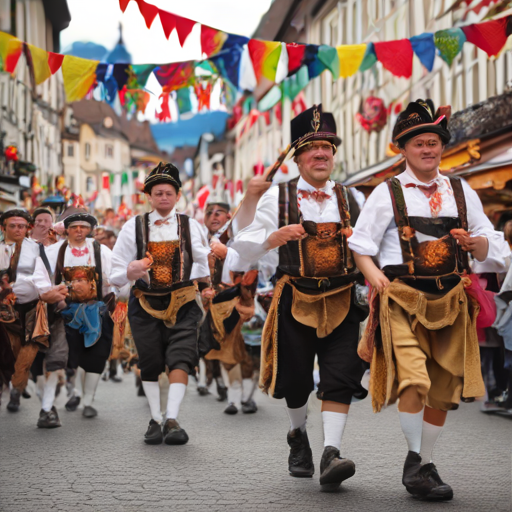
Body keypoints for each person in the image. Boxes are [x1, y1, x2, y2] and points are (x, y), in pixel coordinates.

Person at [351, 99, 510, 500]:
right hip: (401, 299)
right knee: (416, 379)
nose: (427, 149)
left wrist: (475, 244)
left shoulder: (461, 189)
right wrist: (373, 276)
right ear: (403, 150)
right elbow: (361, 244)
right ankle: (419, 465)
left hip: (451, 300)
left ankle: (419, 462)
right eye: (419, 143)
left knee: (443, 387)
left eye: (433, 142)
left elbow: (493, 241)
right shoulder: (387, 193)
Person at [232, 105, 368, 492]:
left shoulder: (354, 198)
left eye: (327, 146)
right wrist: (270, 238)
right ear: (298, 157)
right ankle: (297, 434)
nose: (321, 153)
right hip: (294, 299)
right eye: (312, 148)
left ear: (334, 154)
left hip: (344, 300)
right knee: (295, 381)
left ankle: (330, 453)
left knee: (340, 376)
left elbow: (378, 246)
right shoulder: (277, 199)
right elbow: (241, 248)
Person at [110, 162, 210, 446]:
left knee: (182, 357)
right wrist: (132, 270)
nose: (163, 197)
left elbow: (202, 264)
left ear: (178, 195)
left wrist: (208, 283)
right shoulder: (134, 226)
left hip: (184, 302)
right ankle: (156, 418)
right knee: (150, 360)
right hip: (145, 304)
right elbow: (116, 271)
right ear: (149, 197)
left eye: (168, 192)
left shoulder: (192, 226)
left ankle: (172, 419)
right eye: (158, 193)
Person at [33, 206, 114, 419]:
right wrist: (50, 294)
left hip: (96, 312)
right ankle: (69, 395)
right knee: (70, 355)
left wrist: (111, 296)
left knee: (97, 356)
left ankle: (88, 400)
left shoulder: (101, 251)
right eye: (74, 227)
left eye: (83, 227)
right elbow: (41, 279)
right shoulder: (53, 252)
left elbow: (113, 278)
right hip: (64, 314)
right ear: (66, 230)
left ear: (90, 230)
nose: (79, 230)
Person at [2, 209, 68, 419]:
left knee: (33, 358)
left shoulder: (36, 249)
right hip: (5, 313)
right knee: (10, 358)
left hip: (34, 311)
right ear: (3, 228)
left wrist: (50, 294)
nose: (18, 229)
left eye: (22, 226)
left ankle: (43, 406)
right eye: (13, 225)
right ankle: (15, 389)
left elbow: (41, 278)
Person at [199, 201, 258, 415]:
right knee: (224, 353)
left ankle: (246, 397)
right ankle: (233, 398)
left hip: (239, 301)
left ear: (229, 217)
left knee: (243, 352)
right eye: (209, 213)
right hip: (213, 306)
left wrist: (247, 300)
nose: (214, 217)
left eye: (219, 213)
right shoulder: (199, 243)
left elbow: (251, 268)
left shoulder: (239, 239)